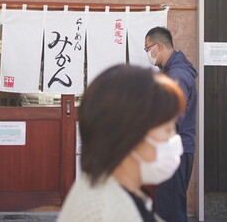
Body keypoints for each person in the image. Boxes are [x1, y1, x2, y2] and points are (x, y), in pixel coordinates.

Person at [58, 65, 186, 222]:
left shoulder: (116, 192)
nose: (174, 139)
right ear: (130, 134)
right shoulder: (102, 212)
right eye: (167, 130)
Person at [144, 27, 198, 222]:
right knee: (170, 206)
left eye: (147, 48)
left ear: (159, 47)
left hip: (174, 151)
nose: (147, 53)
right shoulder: (170, 72)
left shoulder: (177, 76)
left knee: (171, 210)